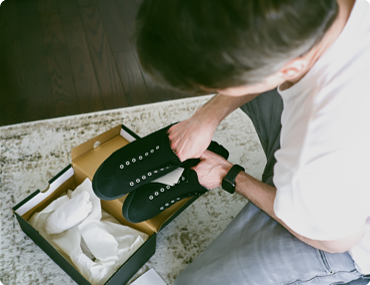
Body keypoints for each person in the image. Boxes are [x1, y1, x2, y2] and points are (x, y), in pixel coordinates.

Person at [135, 0, 370, 284]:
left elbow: (338, 240)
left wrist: (228, 174)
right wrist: (207, 116)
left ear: (289, 69)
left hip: (343, 235)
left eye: (219, 87)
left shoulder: (319, 147)